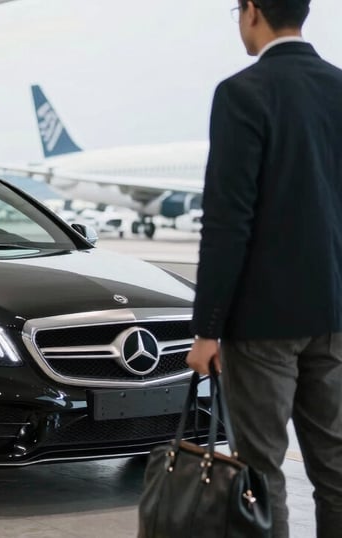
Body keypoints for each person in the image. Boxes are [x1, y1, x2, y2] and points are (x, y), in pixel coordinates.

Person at [186, 1, 342, 536]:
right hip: (334, 314)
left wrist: (207, 329)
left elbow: (227, 222)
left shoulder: (242, 93)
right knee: (336, 469)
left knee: (261, 469)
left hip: (263, 322)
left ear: (252, 10)